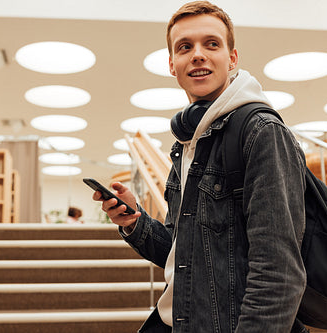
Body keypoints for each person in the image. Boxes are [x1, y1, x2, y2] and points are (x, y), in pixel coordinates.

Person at [93, 1, 307, 332]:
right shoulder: (187, 143)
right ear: (172, 64)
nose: (197, 54)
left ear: (232, 58)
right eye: (184, 47)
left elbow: (278, 274)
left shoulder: (261, 132)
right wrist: (136, 222)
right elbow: (184, 254)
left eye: (211, 43)